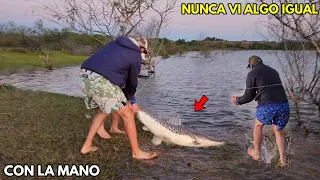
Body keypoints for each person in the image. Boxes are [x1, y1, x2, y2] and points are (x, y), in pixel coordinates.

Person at [79, 35, 158, 160]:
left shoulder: (115, 44)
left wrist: (126, 97)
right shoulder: (135, 55)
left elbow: (115, 72)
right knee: (128, 115)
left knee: (103, 110)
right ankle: (137, 153)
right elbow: (132, 81)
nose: (142, 53)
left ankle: (86, 146)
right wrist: (132, 100)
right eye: (143, 51)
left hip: (85, 74)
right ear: (141, 48)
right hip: (101, 79)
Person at [231, 55, 290, 167]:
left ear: (251, 65)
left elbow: (249, 96)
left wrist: (237, 100)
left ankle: (257, 153)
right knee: (278, 130)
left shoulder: (252, 74)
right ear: (261, 62)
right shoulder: (274, 71)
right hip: (284, 105)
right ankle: (282, 160)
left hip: (268, 106)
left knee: (258, 125)